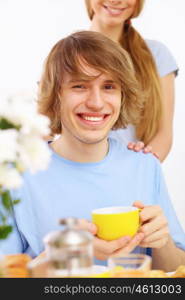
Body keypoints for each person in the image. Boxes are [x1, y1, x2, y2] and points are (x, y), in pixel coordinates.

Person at [1, 31, 184, 272]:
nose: (96, 102)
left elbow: (177, 270)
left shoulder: (145, 166)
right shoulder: (16, 175)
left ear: (122, 95)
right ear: (56, 96)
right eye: (79, 86)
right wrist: (62, 255)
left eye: (109, 86)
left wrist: (163, 243)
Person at [84, 0, 178, 162]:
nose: (116, 0)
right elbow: (44, 128)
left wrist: (138, 169)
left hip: (133, 178)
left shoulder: (156, 55)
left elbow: (163, 135)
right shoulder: (63, 57)